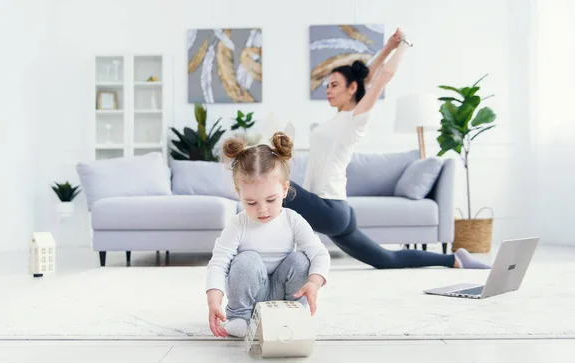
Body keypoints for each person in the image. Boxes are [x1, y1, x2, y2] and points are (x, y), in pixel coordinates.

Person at [284, 28, 491, 270]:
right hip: (338, 212)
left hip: (330, 208)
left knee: (278, 186)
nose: (328, 90)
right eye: (327, 85)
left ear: (351, 89)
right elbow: (366, 77)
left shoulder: (355, 119)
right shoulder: (339, 119)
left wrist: (403, 45)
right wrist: (387, 47)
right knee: (387, 260)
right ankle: (454, 260)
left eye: (334, 85)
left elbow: (382, 78)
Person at [205, 133, 331, 338]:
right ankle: (240, 317)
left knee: (300, 259)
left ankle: (294, 313)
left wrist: (314, 283)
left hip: (286, 296)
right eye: (251, 203)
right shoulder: (238, 224)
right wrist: (214, 300)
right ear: (239, 195)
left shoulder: (293, 220)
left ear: (284, 189)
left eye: (271, 200)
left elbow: (319, 254)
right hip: (252, 297)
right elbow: (218, 263)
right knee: (247, 260)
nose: (262, 210)